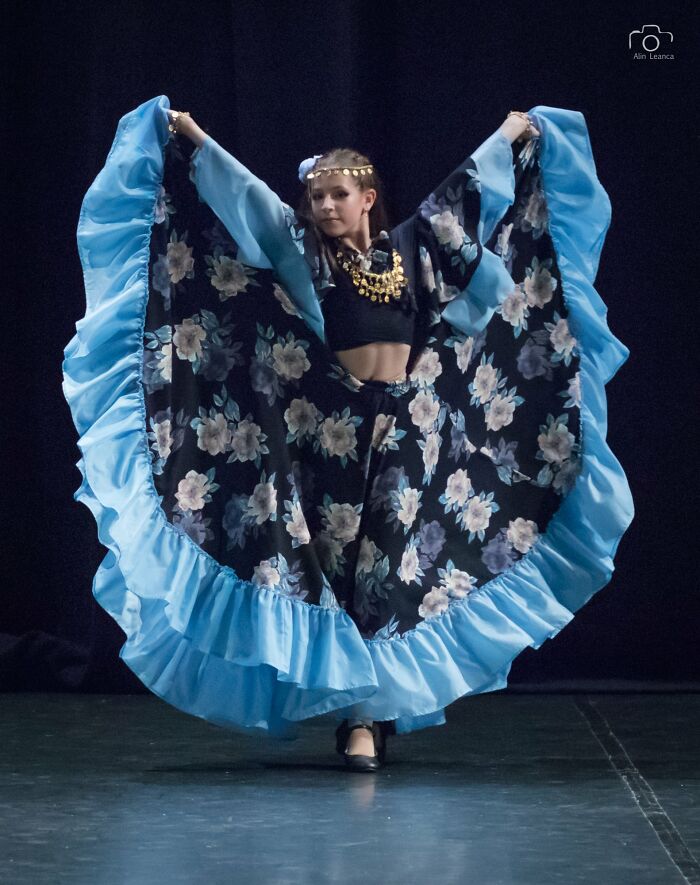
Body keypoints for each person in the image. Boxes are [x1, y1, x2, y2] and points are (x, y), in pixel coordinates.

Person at [62, 95, 634, 773]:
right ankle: (349, 707)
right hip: (331, 430)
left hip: (408, 427)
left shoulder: (416, 246)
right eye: (317, 197)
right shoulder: (306, 255)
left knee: (388, 569)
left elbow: (467, 192)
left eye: (338, 195)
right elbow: (247, 199)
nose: (326, 207)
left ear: (368, 198)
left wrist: (513, 134)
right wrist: (188, 134)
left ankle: (367, 722)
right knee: (334, 569)